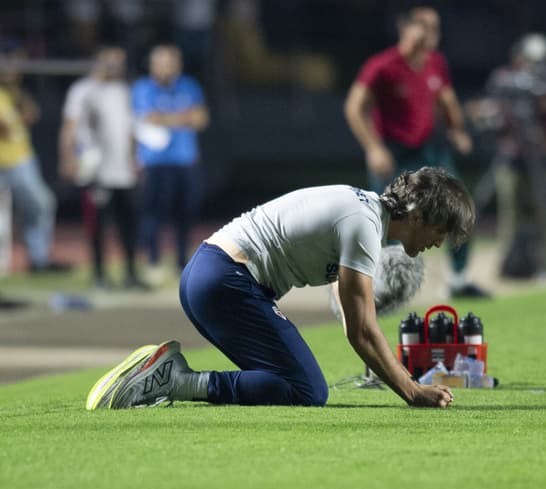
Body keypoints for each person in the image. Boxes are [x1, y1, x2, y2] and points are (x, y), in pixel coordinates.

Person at [86, 167, 468, 410]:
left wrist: (375, 352)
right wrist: (412, 391)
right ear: (418, 215)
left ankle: (172, 377)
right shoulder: (365, 224)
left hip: (209, 275)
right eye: (442, 230)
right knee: (307, 390)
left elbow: (349, 305)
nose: (441, 241)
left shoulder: (365, 211)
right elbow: (362, 330)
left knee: (289, 381)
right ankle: (175, 380)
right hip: (226, 281)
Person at [344, 6, 488, 299]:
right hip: (395, 154)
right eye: (424, 25)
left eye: (436, 26)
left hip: (430, 152)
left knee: (460, 207)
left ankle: (458, 280)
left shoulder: (436, 63)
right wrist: (374, 148)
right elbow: (354, 107)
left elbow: (446, 100)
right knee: (387, 220)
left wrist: (458, 129)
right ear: (405, 27)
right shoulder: (382, 65)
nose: (432, 32)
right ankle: (385, 287)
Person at [467, 33, 546, 279]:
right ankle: (507, 267)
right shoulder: (504, 79)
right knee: (509, 218)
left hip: (543, 157)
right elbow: (480, 110)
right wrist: (491, 115)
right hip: (510, 156)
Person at [59, 46, 146, 290]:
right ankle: (99, 274)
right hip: (96, 167)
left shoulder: (124, 90)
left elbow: (131, 129)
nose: (115, 67)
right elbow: (70, 126)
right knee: (97, 223)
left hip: (124, 168)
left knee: (129, 220)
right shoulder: (83, 90)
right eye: (110, 61)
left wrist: (136, 158)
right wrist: (67, 157)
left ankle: (130, 272)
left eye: (120, 62)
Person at [132, 44, 209, 283]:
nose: (164, 68)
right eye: (160, 62)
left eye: (169, 62)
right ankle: (153, 260)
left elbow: (201, 119)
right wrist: (183, 117)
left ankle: (181, 262)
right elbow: (148, 118)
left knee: (186, 213)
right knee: (154, 213)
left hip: (185, 160)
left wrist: (167, 119)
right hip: (155, 161)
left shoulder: (189, 85)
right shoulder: (142, 87)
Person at [0, 44, 70, 274]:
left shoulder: (14, 93)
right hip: (3, 162)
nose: (14, 70)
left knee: (42, 204)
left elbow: (32, 115)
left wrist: (14, 89)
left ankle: (39, 258)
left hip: (21, 159)